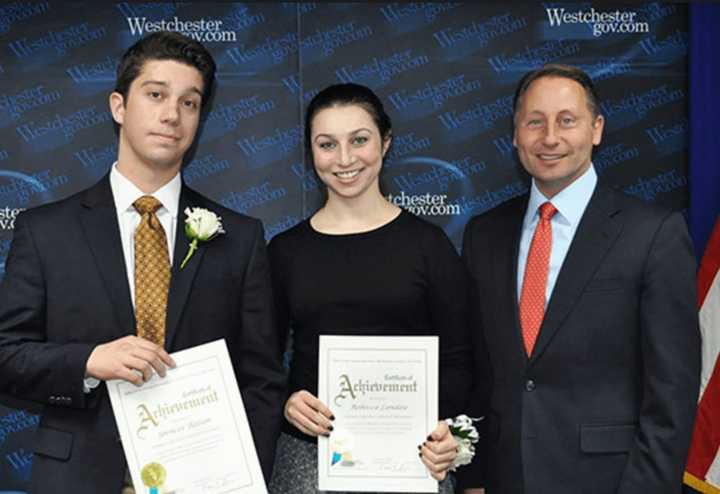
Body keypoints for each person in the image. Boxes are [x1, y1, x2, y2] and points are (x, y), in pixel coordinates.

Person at [0, 31, 286, 492]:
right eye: (156, 95)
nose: (172, 114)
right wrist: (90, 360)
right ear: (119, 106)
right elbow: (6, 353)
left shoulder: (240, 237)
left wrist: (241, 478)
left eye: (189, 103)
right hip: (79, 478)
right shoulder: (46, 230)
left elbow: (262, 381)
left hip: (205, 481)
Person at [459, 63, 700, 494]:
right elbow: (482, 372)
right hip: (505, 479)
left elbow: (671, 394)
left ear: (597, 129)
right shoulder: (484, 234)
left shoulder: (653, 234)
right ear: (515, 134)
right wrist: (474, 477)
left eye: (567, 120)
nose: (549, 137)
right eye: (535, 122)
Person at [267, 83, 472, 493]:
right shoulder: (285, 251)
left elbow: (460, 358)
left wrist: (447, 432)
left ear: (386, 142)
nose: (344, 159)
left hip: (414, 460)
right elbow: (258, 362)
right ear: (311, 153)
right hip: (311, 462)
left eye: (359, 140)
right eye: (327, 144)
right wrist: (286, 403)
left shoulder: (428, 246)